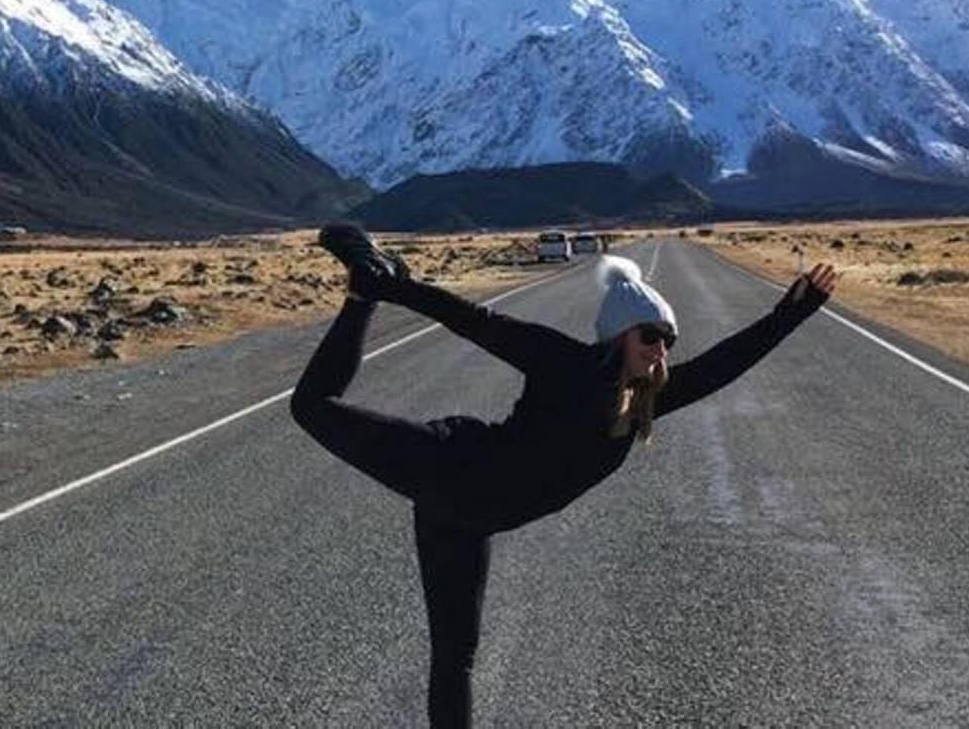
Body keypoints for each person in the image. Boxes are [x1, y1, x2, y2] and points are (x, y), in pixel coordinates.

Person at [291, 224, 838, 727]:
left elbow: (723, 365)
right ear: (620, 334)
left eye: (668, 341)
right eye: (651, 336)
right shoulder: (565, 364)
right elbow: (477, 323)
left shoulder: (644, 401)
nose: (660, 351)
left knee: (455, 656)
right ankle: (365, 288)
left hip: (465, 520)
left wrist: (793, 312)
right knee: (311, 408)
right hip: (451, 465)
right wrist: (396, 290)